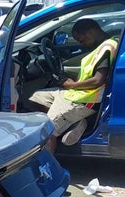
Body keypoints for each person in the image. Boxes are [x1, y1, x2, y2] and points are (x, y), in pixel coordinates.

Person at [29, 18, 118, 152]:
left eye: (82, 40)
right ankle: (73, 123)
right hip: (77, 94)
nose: (82, 44)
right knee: (38, 97)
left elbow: (98, 80)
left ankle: (46, 162)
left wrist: (73, 85)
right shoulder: (103, 46)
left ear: (91, 32)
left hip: (86, 99)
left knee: (47, 129)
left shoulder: (106, 48)